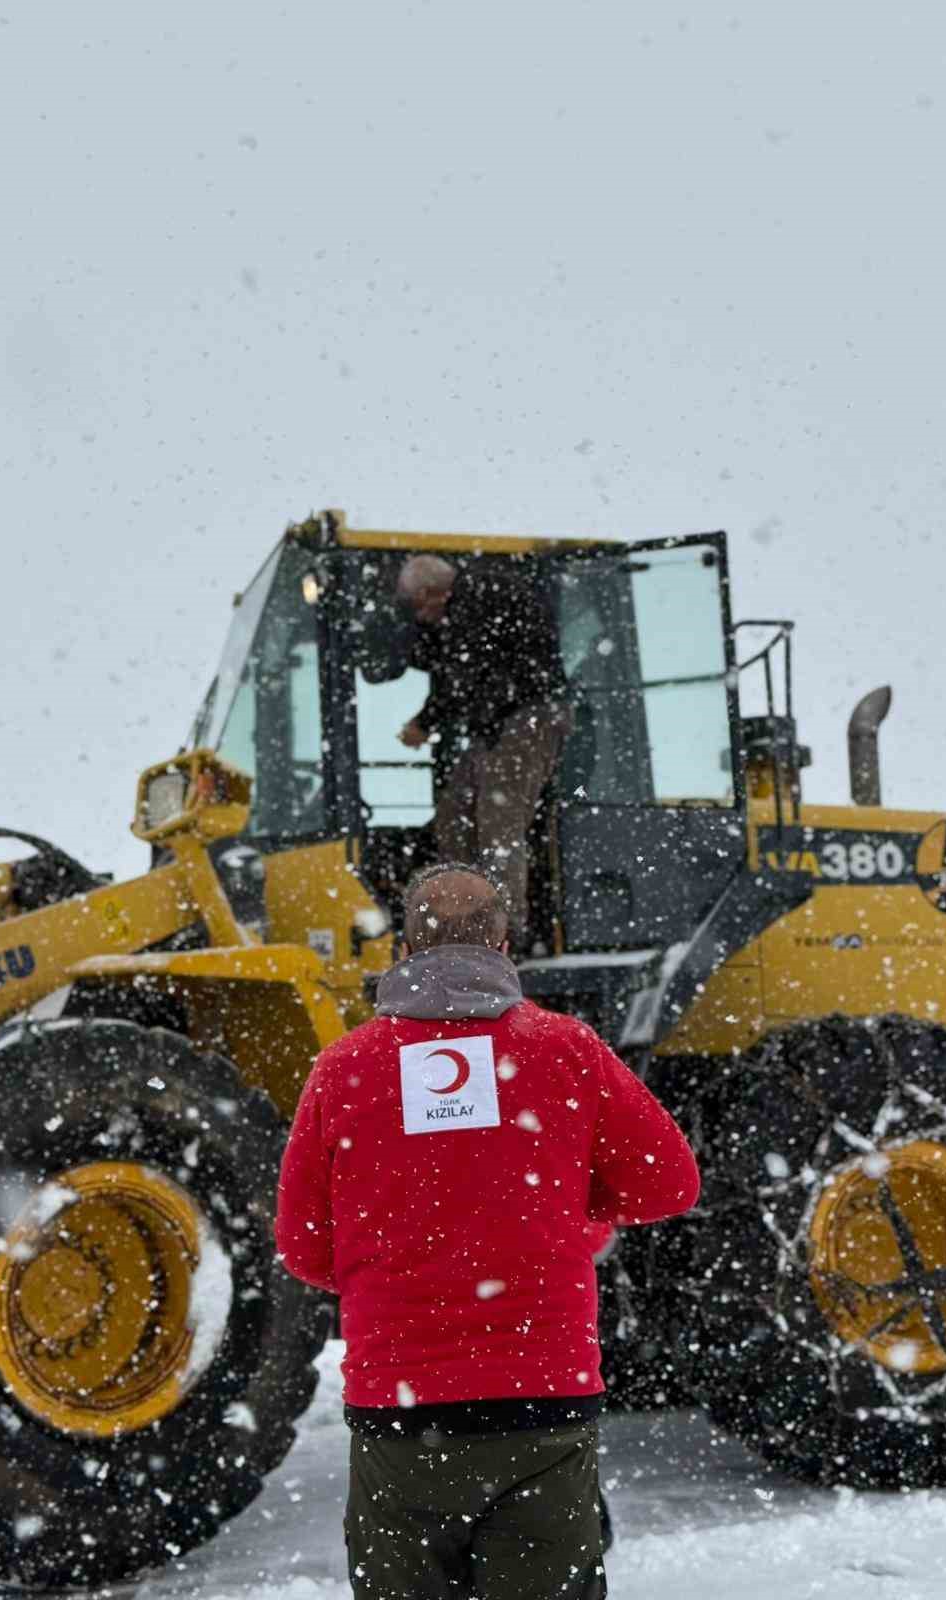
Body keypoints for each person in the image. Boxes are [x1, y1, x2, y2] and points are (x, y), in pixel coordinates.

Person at [275, 864, 700, 1600]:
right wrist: (573, 1219)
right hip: (544, 1404)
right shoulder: (568, 1050)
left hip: (397, 1415)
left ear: (404, 947)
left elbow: (306, 1247)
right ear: (505, 940)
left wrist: (404, 1258)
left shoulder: (343, 1069)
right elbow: (670, 1184)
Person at [394, 555, 571, 952]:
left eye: (416, 607)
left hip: (530, 715)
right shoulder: (467, 609)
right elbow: (458, 674)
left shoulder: (478, 599)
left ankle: (503, 937)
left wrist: (424, 722)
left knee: (498, 822)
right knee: (455, 815)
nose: (420, 619)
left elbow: (460, 675)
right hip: (495, 723)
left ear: (429, 594)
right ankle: (457, 919)